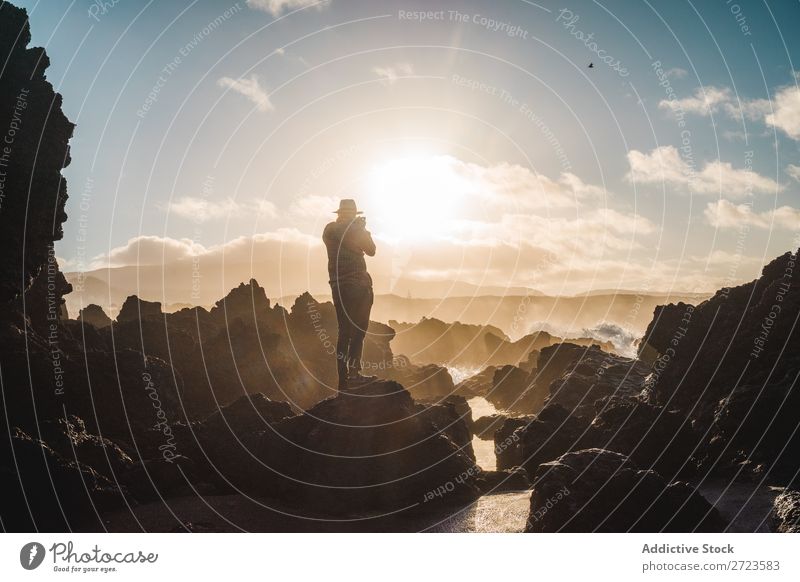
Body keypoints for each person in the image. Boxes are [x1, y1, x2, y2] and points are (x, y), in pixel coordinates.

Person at [322, 199, 377, 390]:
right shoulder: (344, 229)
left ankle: (343, 381)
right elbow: (371, 250)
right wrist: (361, 229)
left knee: (344, 332)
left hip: (338, 286)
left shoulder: (329, 230)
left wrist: (358, 229)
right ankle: (354, 375)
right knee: (359, 331)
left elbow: (370, 250)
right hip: (358, 285)